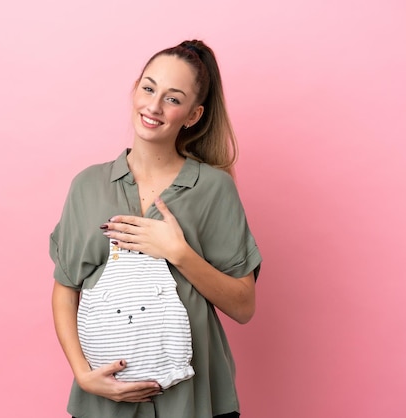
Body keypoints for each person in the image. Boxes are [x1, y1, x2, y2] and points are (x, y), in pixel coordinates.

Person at [50, 40, 262, 418]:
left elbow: (243, 306)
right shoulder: (87, 185)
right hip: (103, 403)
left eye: (172, 98)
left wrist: (178, 253)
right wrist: (83, 376)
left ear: (193, 115)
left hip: (194, 403)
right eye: (149, 88)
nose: (153, 106)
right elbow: (66, 290)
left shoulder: (213, 189)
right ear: (135, 90)